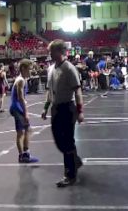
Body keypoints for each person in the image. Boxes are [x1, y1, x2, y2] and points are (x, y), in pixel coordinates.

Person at [41, 39, 84, 187]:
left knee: (67, 141)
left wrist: (80, 111)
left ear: (59, 51)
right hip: (56, 109)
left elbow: (77, 91)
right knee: (59, 142)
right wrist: (45, 108)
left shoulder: (69, 69)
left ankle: (70, 175)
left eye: (51, 51)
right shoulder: (51, 69)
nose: (49, 54)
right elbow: (50, 91)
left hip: (67, 108)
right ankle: (75, 160)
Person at [10, 59, 39, 163]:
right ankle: (23, 155)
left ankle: (24, 154)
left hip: (17, 107)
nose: (31, 71)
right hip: (17, 107)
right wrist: (26, 112)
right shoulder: (21, 80)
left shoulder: (22, 79)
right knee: (22, 132)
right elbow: (20, 98)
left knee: (26, 130)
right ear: (23, 68)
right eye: (29, 69)